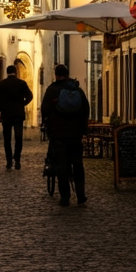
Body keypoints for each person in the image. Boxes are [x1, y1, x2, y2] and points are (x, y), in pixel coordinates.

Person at [43, 63, 90, 205]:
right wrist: (83, 128)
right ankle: (81, 195)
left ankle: (65, 197)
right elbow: (85, 109)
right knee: (77, 164)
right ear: (68, 74)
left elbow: (45, 110)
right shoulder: (77, 90)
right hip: (75, 134)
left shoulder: (52, 90)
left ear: (56, 75)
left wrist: (48, 124)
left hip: (59, 134)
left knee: (62, 165)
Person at [0, 65, 33, 170]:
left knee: (7, 139)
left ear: (7, 72)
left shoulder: (2, 84)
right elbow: (30, 96)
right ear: (15, 72)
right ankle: (17, 159)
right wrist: (23, 103)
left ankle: (9, 161)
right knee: (18, 138)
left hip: (6, 114)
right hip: (18, 114)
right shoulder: (21, 83)